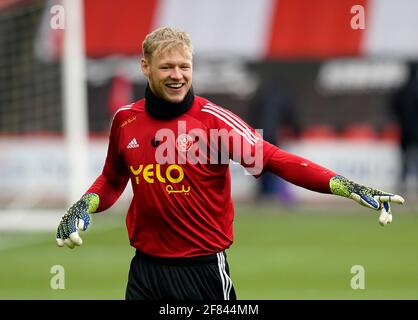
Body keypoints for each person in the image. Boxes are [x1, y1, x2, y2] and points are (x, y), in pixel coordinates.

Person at [56, 27, 405, 300]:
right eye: (167, 67)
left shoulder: (214, 122)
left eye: (184, 66)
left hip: (203, 271)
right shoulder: (126, 120)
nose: (177, 75)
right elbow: (113, 180)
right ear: (145, 67)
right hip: (144, 270)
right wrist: (85, 203)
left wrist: (346, 187)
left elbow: (276, 159)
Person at [391, 62, 418, 194]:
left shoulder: (401, 90)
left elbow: (393, 108)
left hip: (404, 131)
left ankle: (402, 190)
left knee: (404, 162)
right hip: (415, 131)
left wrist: (401, 121)